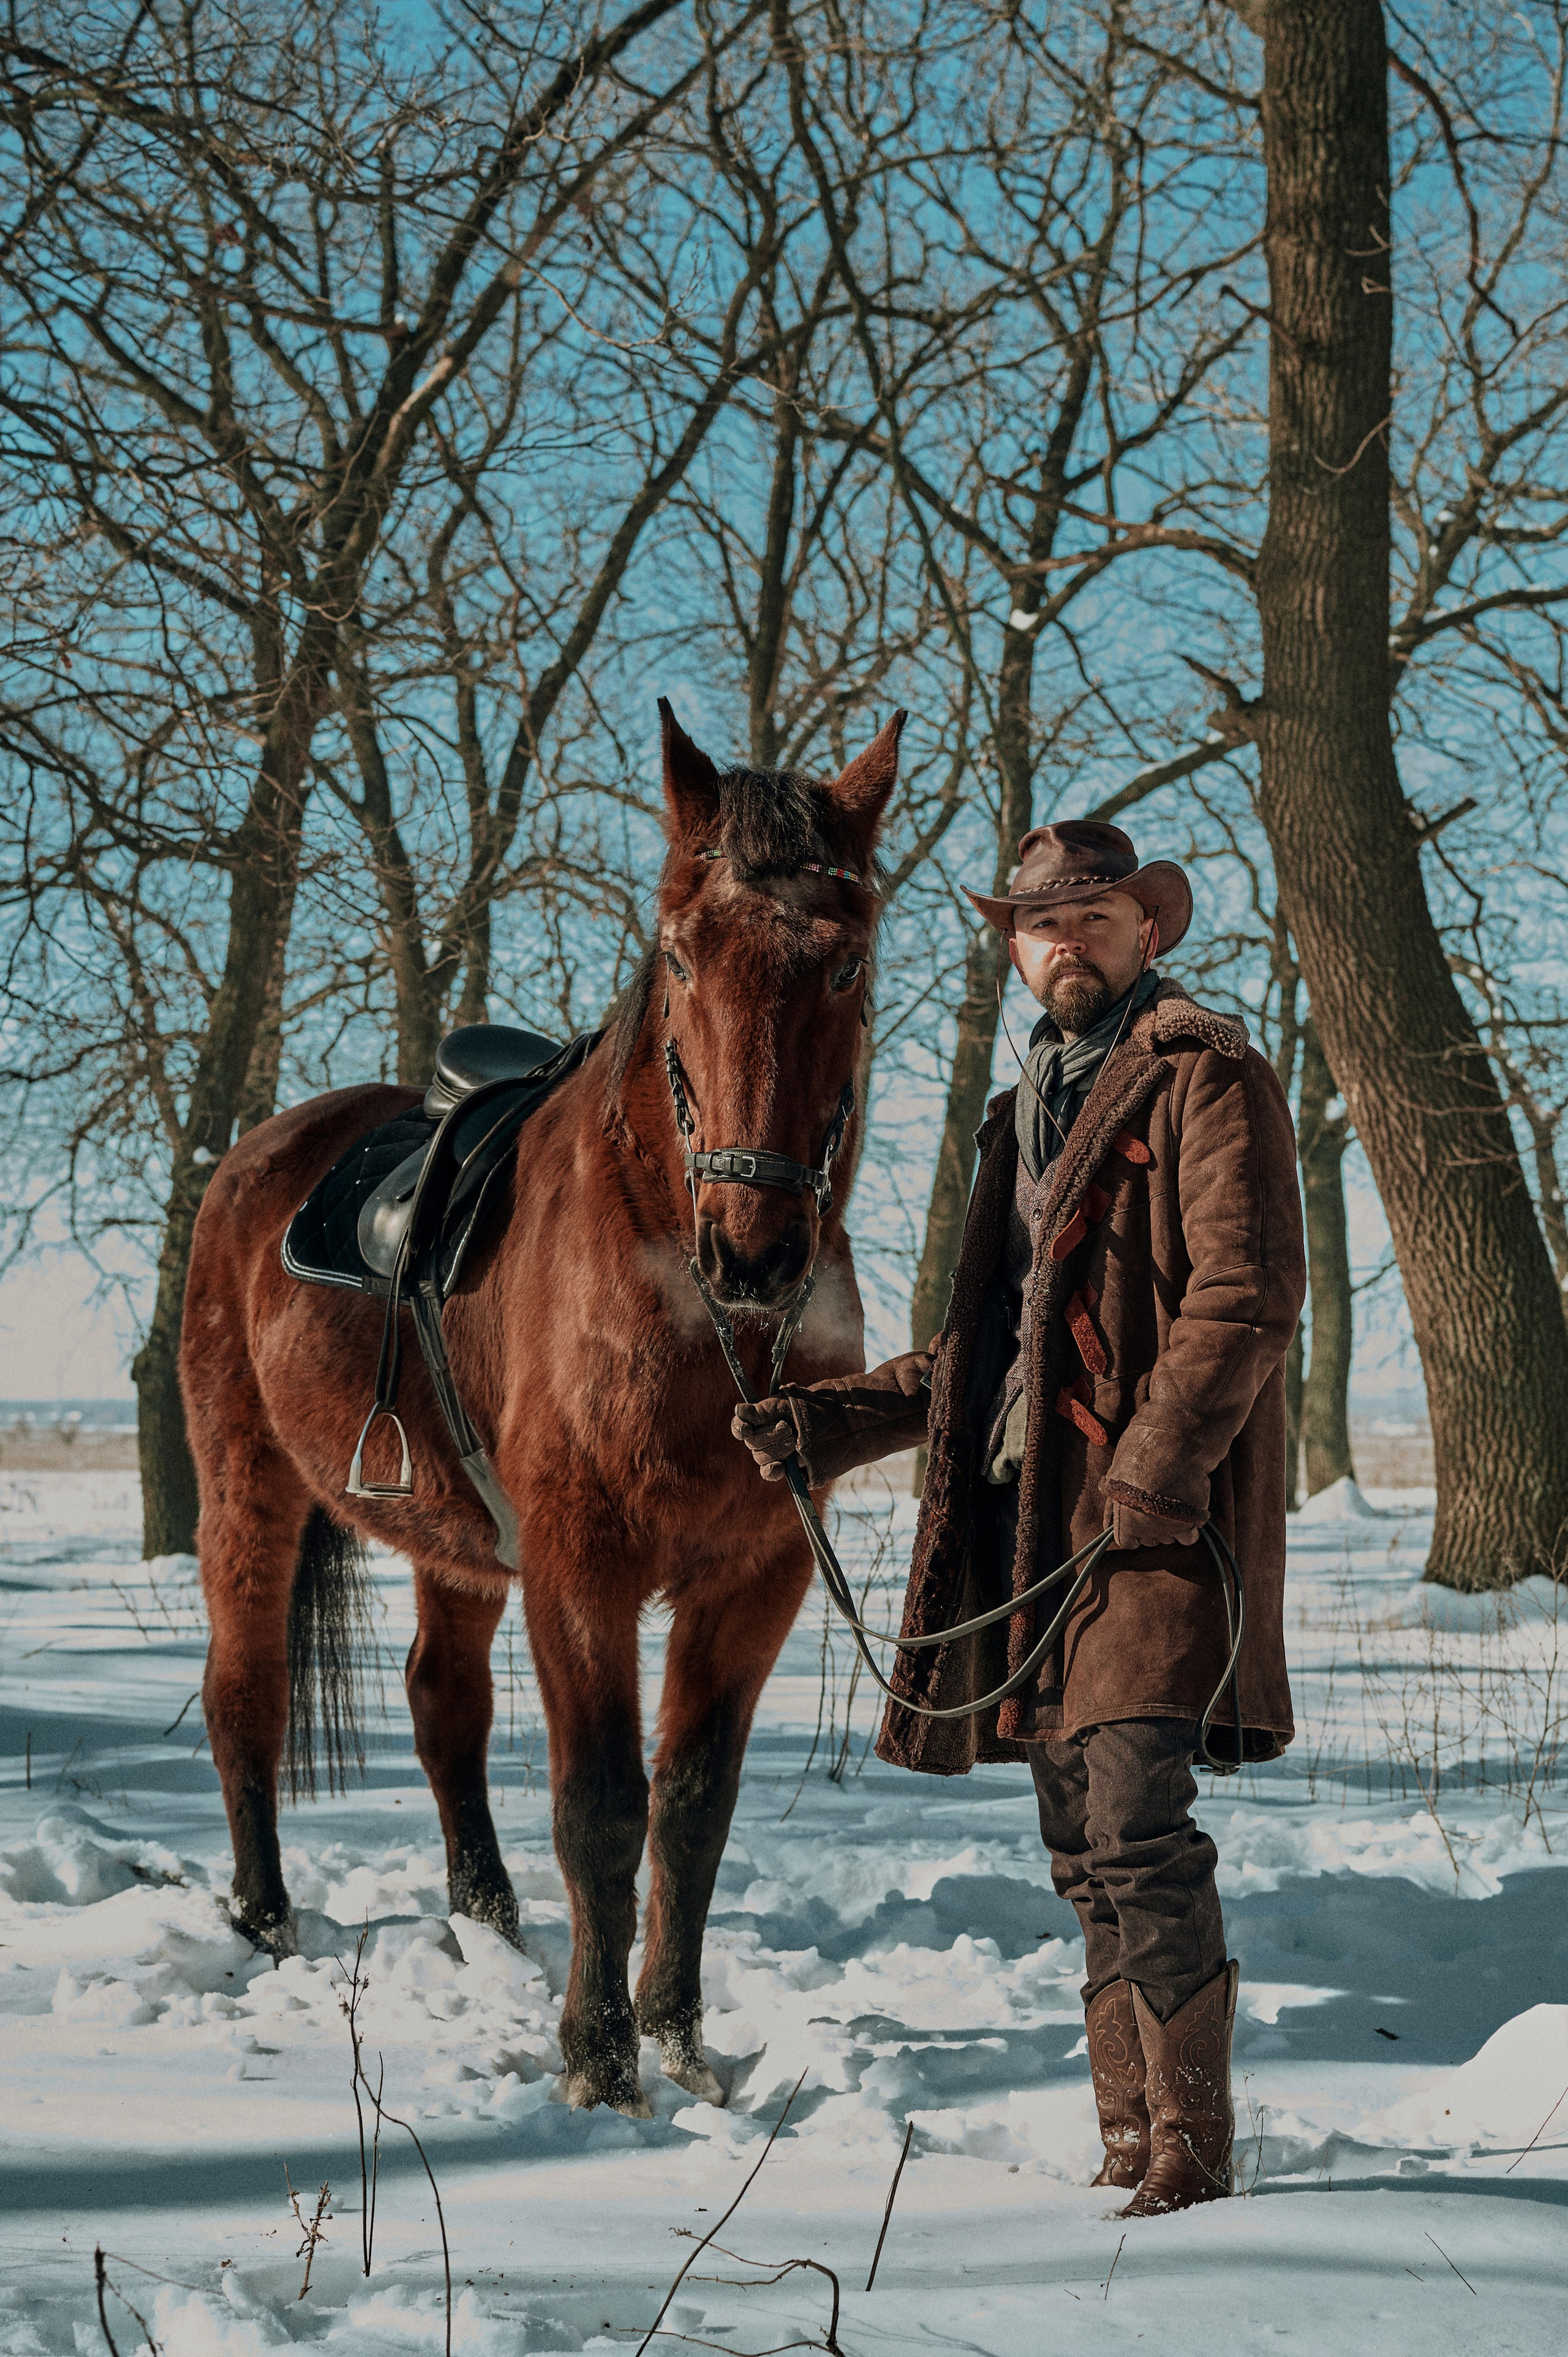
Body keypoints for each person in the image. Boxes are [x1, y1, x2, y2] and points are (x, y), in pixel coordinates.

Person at [733, 820, 1305, 2216]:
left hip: (1156, 1524)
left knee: (1134, 1828)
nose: (1069, 944)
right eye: (1043, 926)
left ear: (1145, 932)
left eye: (1096, 919)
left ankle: (1190, 2147)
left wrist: (1153, 1471)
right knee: (1076, 1852)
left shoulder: (1205, 1075)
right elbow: (978, 1353)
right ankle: (1127, 2135)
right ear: (1011, 948)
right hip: (1029, 1530)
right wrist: (835, 1422)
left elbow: (1243, 1296)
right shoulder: (1018, 1113)